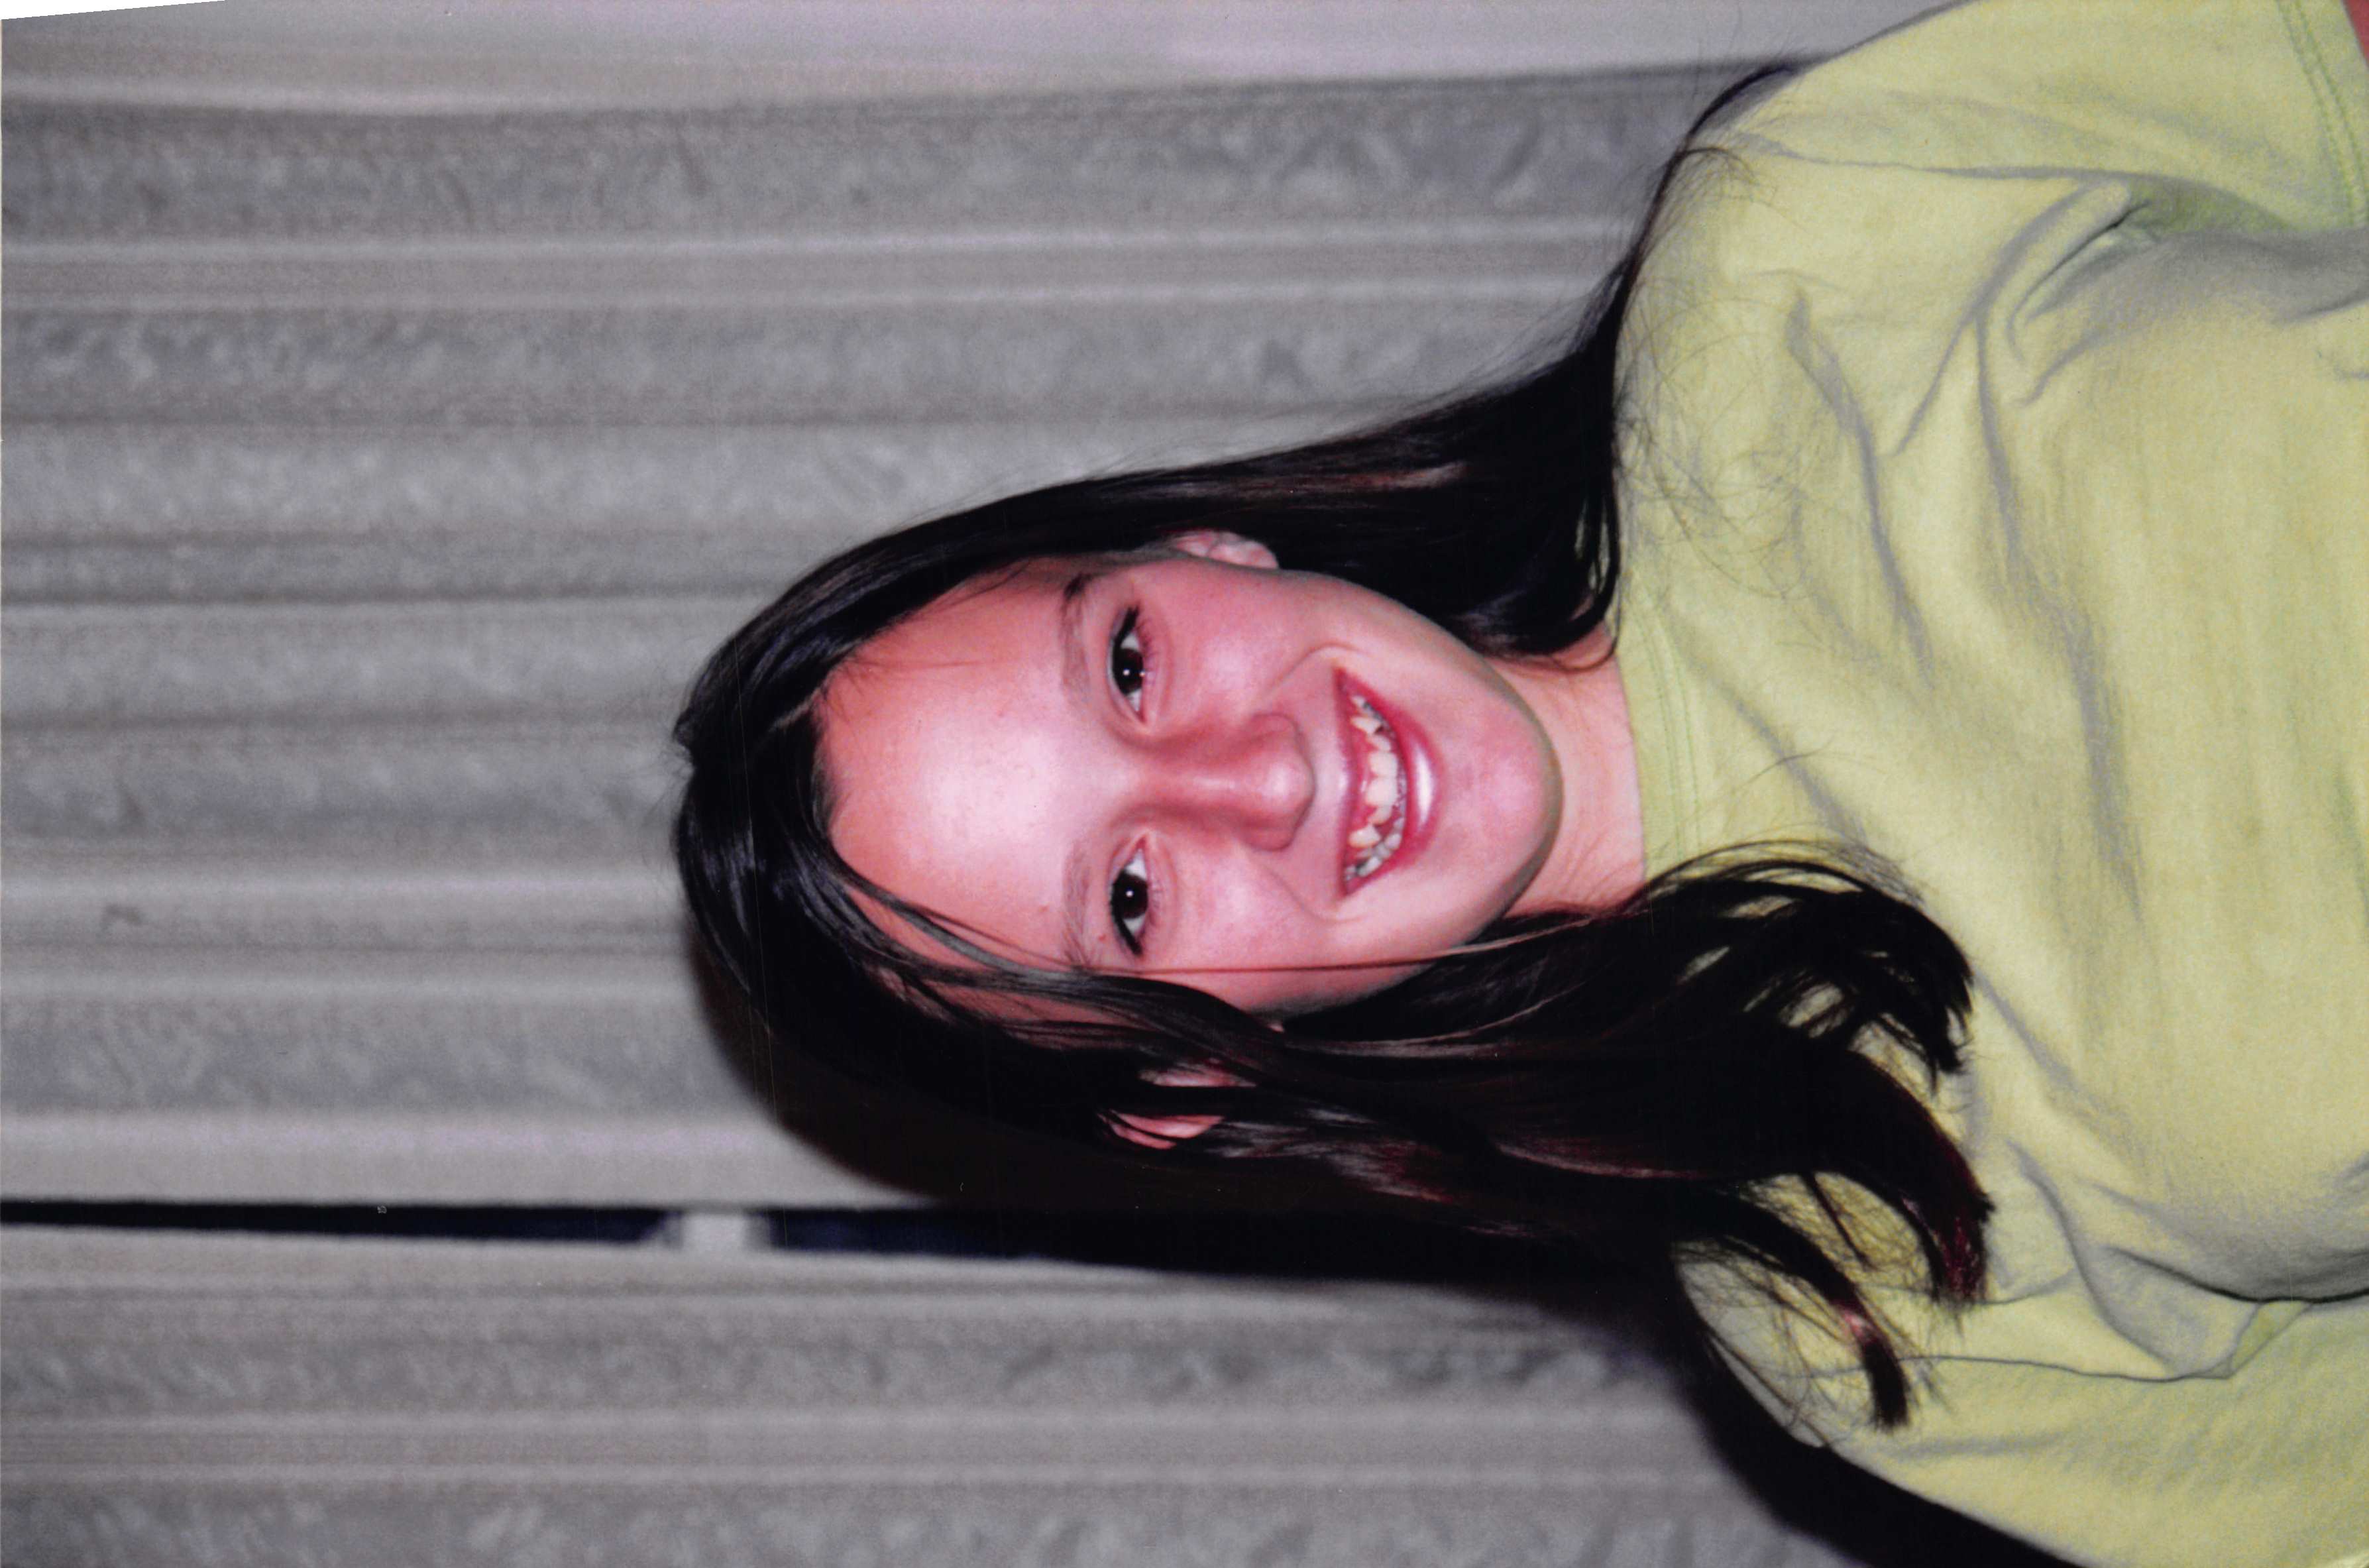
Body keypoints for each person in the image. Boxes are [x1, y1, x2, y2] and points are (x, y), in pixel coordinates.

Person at [673, 2, 2369, 1563]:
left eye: (1131, 664)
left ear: (1200, 547)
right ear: (1185, 1076)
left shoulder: (1786, 244)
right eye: (1131, 895)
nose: (1258, 774)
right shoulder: (1845, 1301)